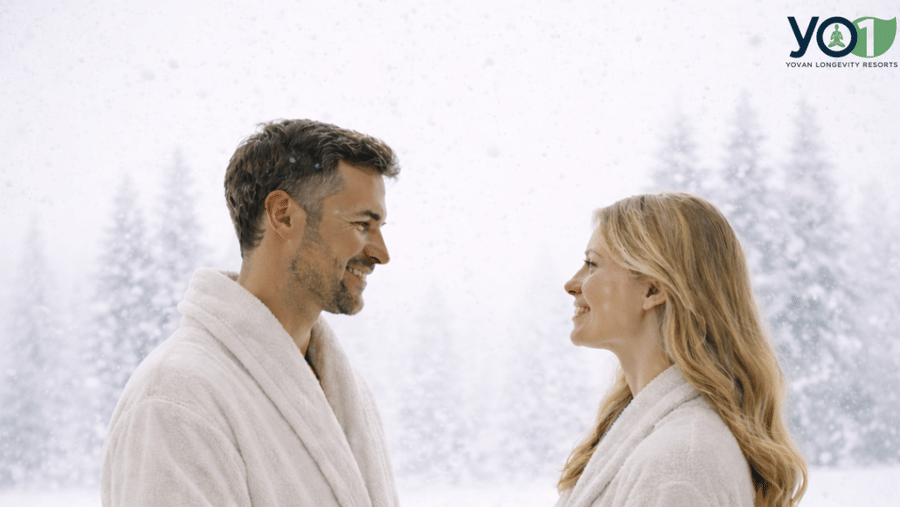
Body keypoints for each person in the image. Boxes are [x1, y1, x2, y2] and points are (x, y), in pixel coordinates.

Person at [101, 119, 401, 506]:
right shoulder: (177, 397)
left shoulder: (347, 393)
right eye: (362, 224)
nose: (381, 253)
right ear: (283, 214)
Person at [556, 193, 808, 507]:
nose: (571, 284)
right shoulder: (666, 445)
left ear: (652, 289)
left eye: (592, 264)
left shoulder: (679, 465)